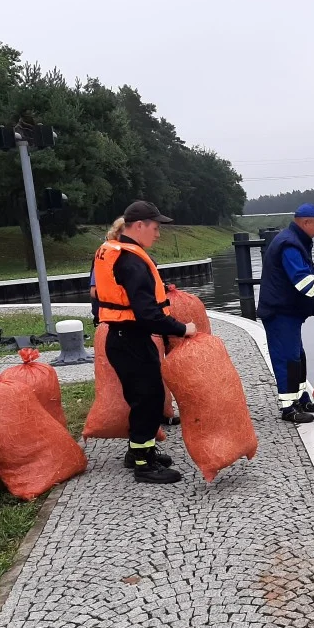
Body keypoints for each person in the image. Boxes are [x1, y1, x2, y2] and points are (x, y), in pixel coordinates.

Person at [93, 200, 196, 484]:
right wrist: (182, 328)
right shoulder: (132, 260)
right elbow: (147, 314)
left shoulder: (114, 253)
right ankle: (143, 465)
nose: (158, 233)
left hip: (124, 338)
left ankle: (140, 451)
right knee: (148, 400)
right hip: (131, 341)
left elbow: (99, 300)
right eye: (155, 227)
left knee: (144, 398)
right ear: (139, 226)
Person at [257, 203, 314, 424]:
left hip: (289, 313)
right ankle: (289, 408)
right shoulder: (290, 245)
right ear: (305, 223)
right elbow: (303, 283)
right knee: (287, 359)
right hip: (280, 313)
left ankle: (302, 398)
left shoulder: (295, 241)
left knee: (298, 357)